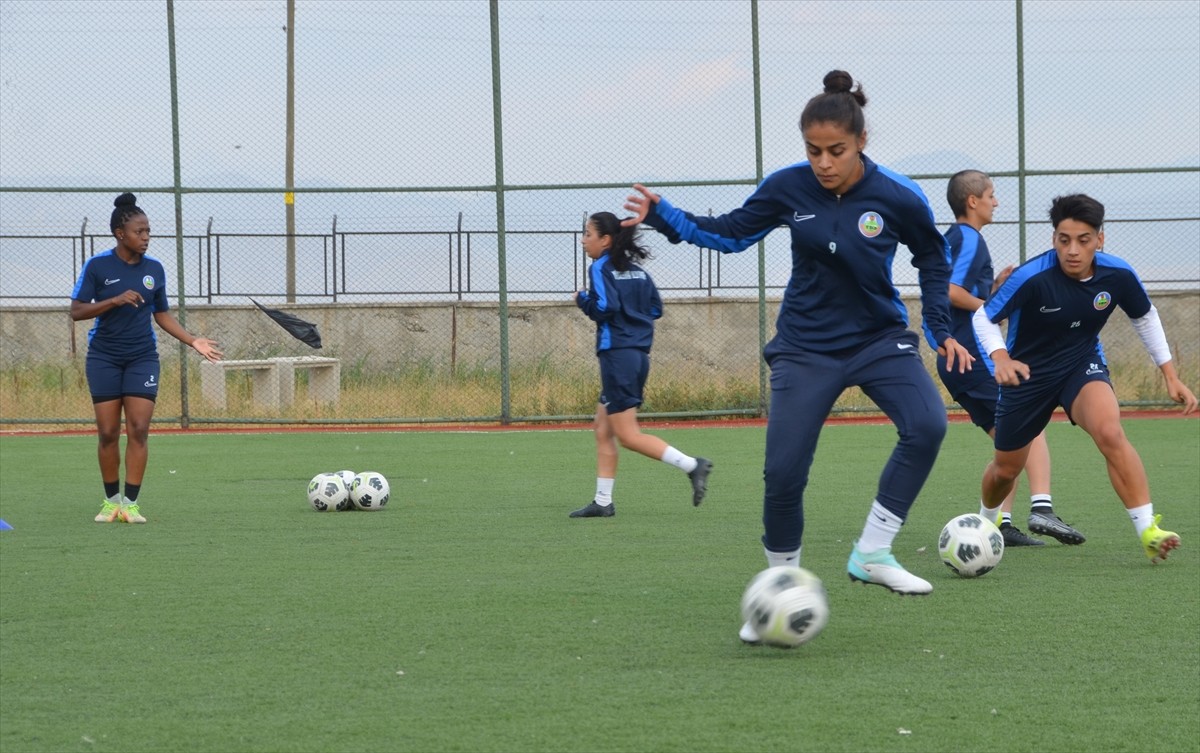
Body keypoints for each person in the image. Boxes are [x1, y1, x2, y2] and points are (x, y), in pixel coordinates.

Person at [622, 70, 973, 643]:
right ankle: (778, 588)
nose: (824, 162)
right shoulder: (788, 187)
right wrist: (665, 215)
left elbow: (932, 260)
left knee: (928, 423)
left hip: (877, 339)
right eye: (813, 150)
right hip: (806, 346)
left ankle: (874, 551)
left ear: (861, 141)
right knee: (783, 474)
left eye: (836, 150)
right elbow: (732, 234)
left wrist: (939, 329)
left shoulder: (898, 196)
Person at [973, 193, 1197, 562]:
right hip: (1027, 375)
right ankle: (984, 525)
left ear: (1100, 239)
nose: (1072, 250)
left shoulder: (1118, 274)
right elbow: (984, 317)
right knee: (1006, 469)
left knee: (1110, 431)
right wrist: (1000, 357)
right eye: (1064, 240)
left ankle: (1148, 531)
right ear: (1054, 240)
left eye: (1083, 240)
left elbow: (1144, 317)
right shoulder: (1032, 276)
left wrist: (1170, 375)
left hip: (1081, 365)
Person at [930, 170, 1081, 547]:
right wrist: (997, 304)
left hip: (960, 356)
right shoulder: (968, 238)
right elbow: (950, 291)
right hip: (970, 354)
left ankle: (1001, 523)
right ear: (973, 201)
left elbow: (956, 289)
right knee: (1026, 428)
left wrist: (995, 288)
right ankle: (1037, 510)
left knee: (1013, 440)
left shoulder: (961, 238)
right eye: (992, 195)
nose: (996, 202)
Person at [70, 193, 223, 524]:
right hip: (104, 358)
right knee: (109, 432)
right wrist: (114, 300)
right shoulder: (97, 266)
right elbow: (77, 311)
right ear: (120, 234)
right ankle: (111, 501)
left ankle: (131, 504)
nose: (146, 237)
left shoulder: (154, 269)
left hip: (142, 358)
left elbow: (162, 314)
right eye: (140, 232)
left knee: (138, 428)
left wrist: (192, 340)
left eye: (148, 231)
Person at [569, 211, 712, 519]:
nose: (583, 240)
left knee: (629, 435)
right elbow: (655, 309)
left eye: (588, 234)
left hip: (617, 356)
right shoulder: (638, 272)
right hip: (637, 356)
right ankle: (603, 502)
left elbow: (605, 307)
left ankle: (691, 465)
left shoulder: (599, 267)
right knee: (602, 428)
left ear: (605, 240)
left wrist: (582, 300)